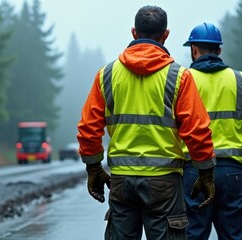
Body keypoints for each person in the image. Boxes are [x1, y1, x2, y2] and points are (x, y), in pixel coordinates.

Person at [77, 6, 217, 239]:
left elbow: (88, 128)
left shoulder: (107, 75)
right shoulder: (179, 76)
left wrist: (93, 169)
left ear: (134, 33)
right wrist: (206, 175)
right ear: (166, 35)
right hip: (165, 182)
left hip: (121, 181)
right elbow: (197, 131)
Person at [180, 22, 242, 240]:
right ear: (219, 51)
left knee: (192, 234)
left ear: (193, 49)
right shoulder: (241, 81)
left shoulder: (181, 81)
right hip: (231, 172)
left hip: (193, 171)